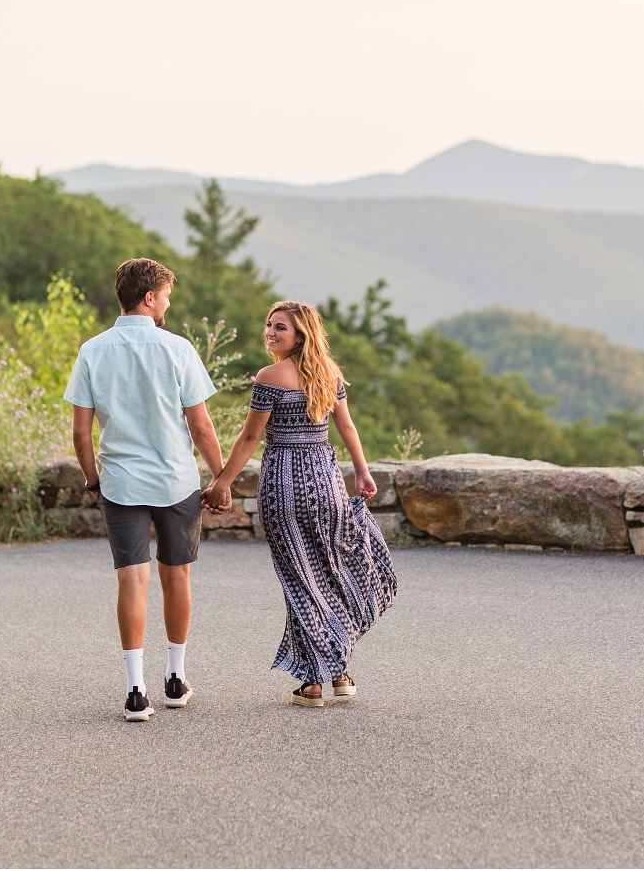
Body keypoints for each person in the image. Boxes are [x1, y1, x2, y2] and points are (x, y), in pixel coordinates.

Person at [202, 300, 396, 706]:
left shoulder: (269, 376)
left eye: (281, 328)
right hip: (327, 484)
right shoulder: (329, 373)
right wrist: (362, 472)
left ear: (300, 335)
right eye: (269, 325)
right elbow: (345, 426)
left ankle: (313, 682)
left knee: (299, 580)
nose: (270, 333)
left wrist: (222, 482)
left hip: (285, 487)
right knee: (324, 574)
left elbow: (251, 439)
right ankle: (338, 671)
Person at [64, 258, 223, 721]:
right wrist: (220, 478)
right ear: (149, 298)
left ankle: (136, 690)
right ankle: (175, 679)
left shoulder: (92, 350)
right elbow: (202, 426)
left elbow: (80, 433)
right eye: (167, 296)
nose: (168, 304)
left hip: (121, 482)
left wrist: (93, 479)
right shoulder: (178, 349)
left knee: (131, 579)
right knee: (177, 577)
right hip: (176, 481)